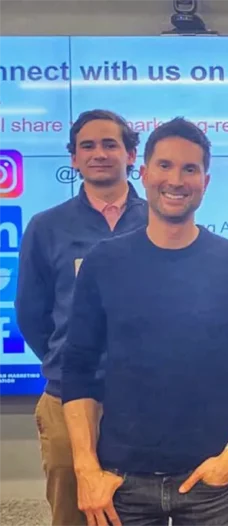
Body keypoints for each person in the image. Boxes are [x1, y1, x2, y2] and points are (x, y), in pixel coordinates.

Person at [61, 117, 228, 526]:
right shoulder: (103, 262)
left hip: (210, 483)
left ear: (206, 181)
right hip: (120, 483)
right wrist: (85, 469)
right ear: (142, 173)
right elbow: (77, 367)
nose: (175, 180)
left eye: (189, 169)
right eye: (164, 166)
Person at [15, 109, 148, 526]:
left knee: (140, 514)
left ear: (130, 155)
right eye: (87, 146)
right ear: (73, 159)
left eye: (111, 144)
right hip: (65, 398)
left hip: (147, 399)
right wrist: (72, 357)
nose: (99, 153)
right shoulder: (46, 227)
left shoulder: (159, 221)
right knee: (73, 514)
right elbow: (31, 315)